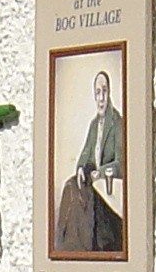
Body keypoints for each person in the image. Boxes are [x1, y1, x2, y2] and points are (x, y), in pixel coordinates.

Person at [53, 67, 125, 255]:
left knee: (85, 199)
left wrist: (99, 173)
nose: (101, 98)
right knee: (70, 186)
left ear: (110, 93)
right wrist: (80, 169)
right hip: (94, 180)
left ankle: (84, 246)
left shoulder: (117, 123)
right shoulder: (94, 125)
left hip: (107, 183)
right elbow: (85, 153)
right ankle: (67, 244)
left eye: (104, 92)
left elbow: (121, 163)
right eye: (97, 93)